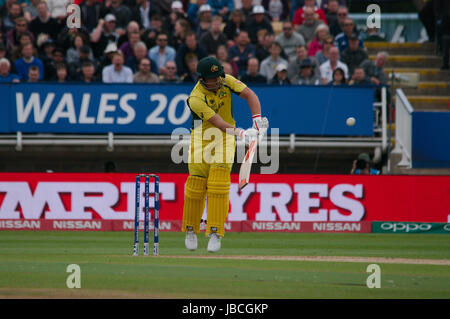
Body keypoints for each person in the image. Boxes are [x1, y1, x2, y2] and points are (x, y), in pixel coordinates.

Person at [182, 56, 268, 253]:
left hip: (225, 139)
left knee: (219, 185)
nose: (219, 80)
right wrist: (242, 133)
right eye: (214, 78)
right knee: (196, 186)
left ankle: (215, 233)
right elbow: (218, 122)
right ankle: (191, 230)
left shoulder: (225, 80)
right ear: (203, 79)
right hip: (201, 138)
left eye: (220, 76)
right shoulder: (195, 98)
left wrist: (257, 120)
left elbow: (250, 95)